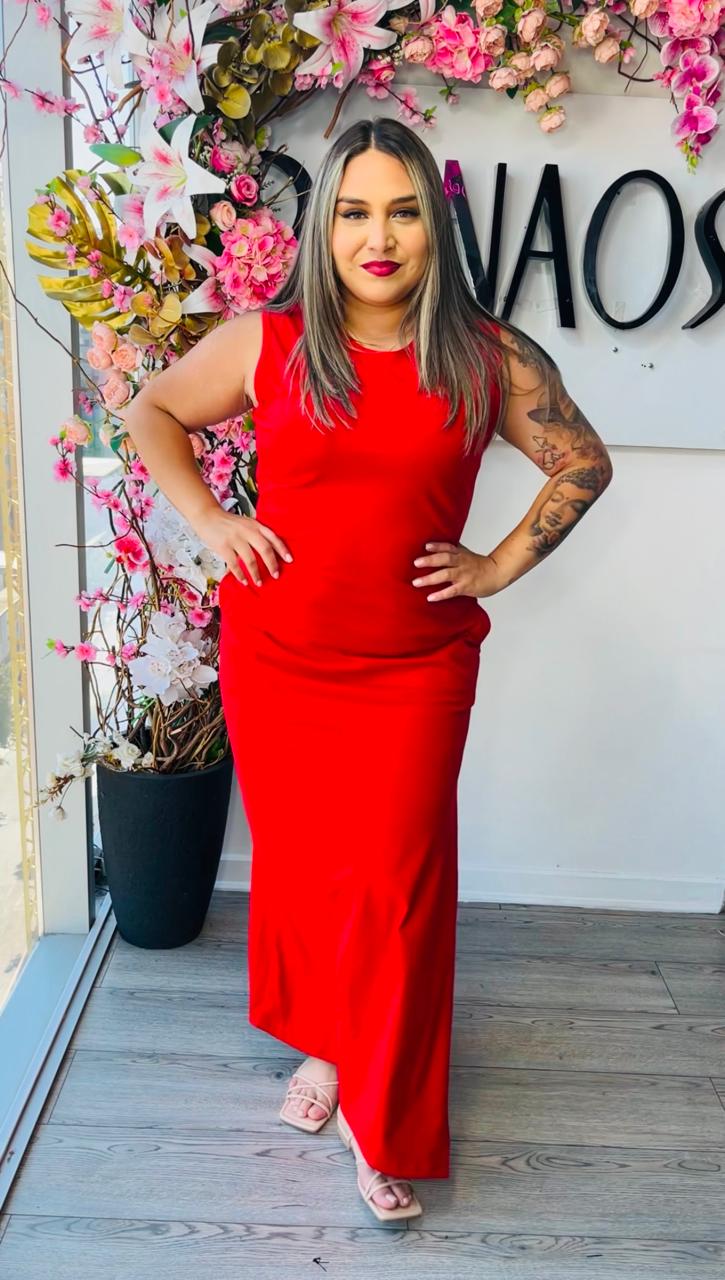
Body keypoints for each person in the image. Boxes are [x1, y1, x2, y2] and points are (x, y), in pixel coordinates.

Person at [123, 114, 613, 1221]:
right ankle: (331, 1047)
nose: (376, 238)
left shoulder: (487, 356)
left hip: (413, 668)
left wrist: (495, 564)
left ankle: (382, 1121)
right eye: (352, 213)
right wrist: (210, 519)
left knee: (396, 889)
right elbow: (152, 410)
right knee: (308, 874)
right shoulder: (267, 342)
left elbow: (580, 461)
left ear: (433, 223)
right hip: (278, 656)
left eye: (401, 212)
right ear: (324, 227)